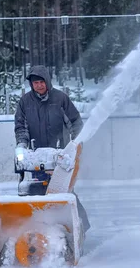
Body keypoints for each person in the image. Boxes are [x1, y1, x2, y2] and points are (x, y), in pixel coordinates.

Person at [14, 65, 90, 232]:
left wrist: (75, 145)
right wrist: (21, 146)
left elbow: (75, 122)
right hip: (35, 158)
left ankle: (80, 226)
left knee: (63, 192)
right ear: (31, 85)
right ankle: (36, 229)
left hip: (59, 157)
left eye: (41, 82)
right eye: (35, 83)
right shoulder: (25, 102)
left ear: (47, 82)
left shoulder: (60, 99)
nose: (39, 86)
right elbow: (21, 127)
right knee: (34, 191)